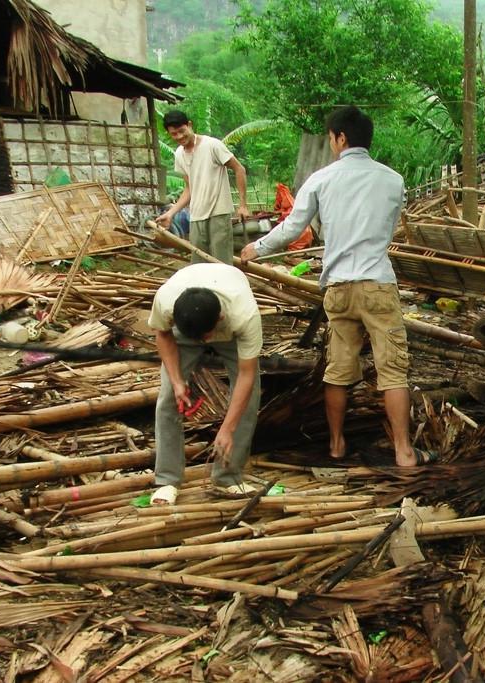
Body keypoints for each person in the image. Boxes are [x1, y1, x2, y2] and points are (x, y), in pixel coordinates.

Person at [240, 105, 433, 468]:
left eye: (330, 137)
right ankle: (404, 452)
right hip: (377, 283)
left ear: (340, 137)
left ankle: (336, 445)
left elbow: (293, 228)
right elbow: (390, 230)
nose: (330, 143)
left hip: (339, 288)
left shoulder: (321, 179)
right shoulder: (392, 180)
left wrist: (257, 248)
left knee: (338, 369)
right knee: (393, 370)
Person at [147, 263, 262, 505]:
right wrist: (178, 382)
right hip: (191, 323)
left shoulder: (244, 315)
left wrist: (227, 428)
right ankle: (167, 480)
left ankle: (228, 477)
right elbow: (163, 335)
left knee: (249, 397)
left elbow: (246, 375)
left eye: (207, 336)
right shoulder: (166, 301)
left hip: (230, 328)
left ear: (219, 319)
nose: (205, 342)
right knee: (168, 396)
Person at [156, 110, 250, 264]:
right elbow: (189, 188)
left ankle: (222, 289)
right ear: (169, 134)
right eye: (174, 134)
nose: (179, 136)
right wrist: (171, 213)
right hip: (196, 216)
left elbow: (239, 169)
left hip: (219, 214)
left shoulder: (212, 145)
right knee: (198, 265)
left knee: (221, 263)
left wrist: (243, 205)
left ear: (190, 125)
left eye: (182, 131)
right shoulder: (179, 154)